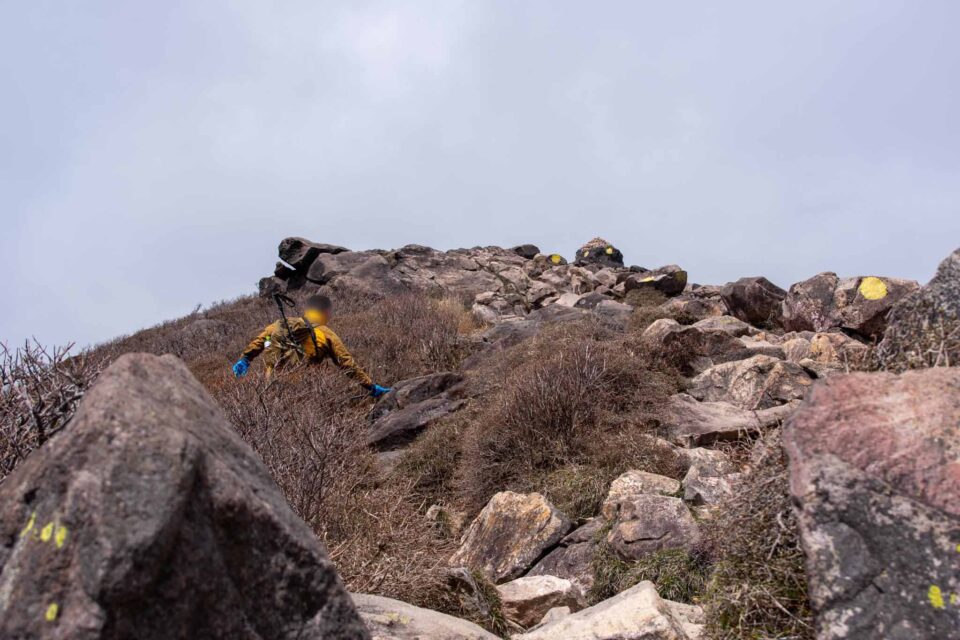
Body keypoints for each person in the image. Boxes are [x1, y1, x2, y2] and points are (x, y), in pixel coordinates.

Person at [232, 294, 391, 397]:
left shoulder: (279, 325)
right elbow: (346, 363)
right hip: (304, 389)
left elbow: (259, 342)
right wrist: (371, 386)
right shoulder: (324, 332)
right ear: (326, 312)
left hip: (271, 386)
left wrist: (244, 360)